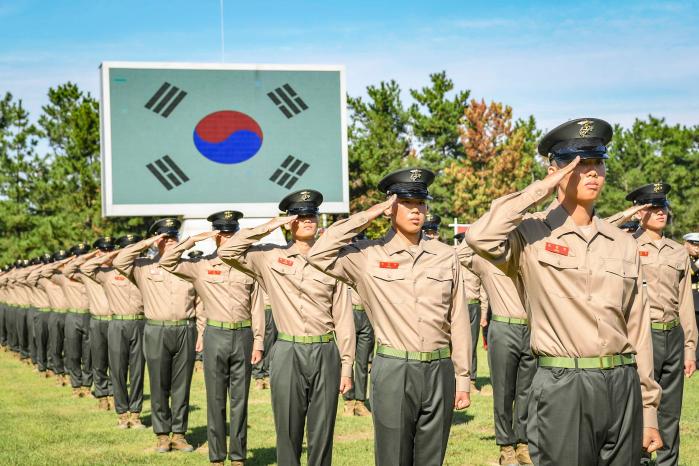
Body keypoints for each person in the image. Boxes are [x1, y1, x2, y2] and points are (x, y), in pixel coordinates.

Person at [466, 118, 662, 465]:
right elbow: (480, 236)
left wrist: (648, 411)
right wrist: (540, 189)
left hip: (622, 383)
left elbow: (638, 328)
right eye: (578, 164)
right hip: (563, 383)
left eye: (597, 162)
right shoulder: (531, 235)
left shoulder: (621, 243)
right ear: (554, 170)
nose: (591, 173)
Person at [306, 168, 472, 466]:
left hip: (439, 370)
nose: (415, 211)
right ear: (389, 208)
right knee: (393, 458)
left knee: (432, 459)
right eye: (406, 203)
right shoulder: (366, 255)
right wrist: (367, 214)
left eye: (420, 203)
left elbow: (458, 318)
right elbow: (318, 254)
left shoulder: (446, 255)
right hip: (395, 369)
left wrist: (462, 378)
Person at [218, 189, 355, 466]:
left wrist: (347, 366)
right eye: (299, 215)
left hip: (325, 350)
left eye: (311, 214)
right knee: (288, 432)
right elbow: (227, 251)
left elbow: (343, 318)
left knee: (322, 432)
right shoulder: (268, 257)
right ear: (290, 221)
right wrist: (270, 226)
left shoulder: (333, 260)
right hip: (287, 350)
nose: (307, 220)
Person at [160, 210, 265, 466]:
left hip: (243, 335)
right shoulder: (201, 266)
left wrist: (259, 341)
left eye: (231, 233)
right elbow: (167, 262)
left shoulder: (248, 266)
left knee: (240, 401)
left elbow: (257, 306)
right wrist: (190, 241)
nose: (227, 238)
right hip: (215, 335)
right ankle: (217, 457)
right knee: (215, 399)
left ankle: (238, 457)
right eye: (222, 234)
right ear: (216, 237)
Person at [625, 183, 698, 466]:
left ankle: (669, 462)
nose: (660, 212)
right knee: (643, 406)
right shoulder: (628, 246)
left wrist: (690, 347)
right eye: (653, 207)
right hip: (642, 336)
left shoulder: (678, 252)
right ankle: (641, 459)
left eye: (663, 206)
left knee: (670, 411)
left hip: (673, 337)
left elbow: (685, 304)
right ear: (640, 211)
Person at [113, 219, 201, 453]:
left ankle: (180, 434)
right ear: (157, 240)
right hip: (156, 329)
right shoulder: (143, 267)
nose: (170, 241)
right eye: (165, 237)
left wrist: (200, 331)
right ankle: (162, 434)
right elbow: (119, 260)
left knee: (182, 385)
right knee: (159, 383)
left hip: (185, 328)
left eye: (173, 237)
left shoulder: (188, 266)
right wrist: (149, 242)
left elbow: (199, 302)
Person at [457, 238, 535, 465]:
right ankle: (506, 447)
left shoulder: (530, 257)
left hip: (532, 327)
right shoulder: (487, 261)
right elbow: (460, 252)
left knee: (527, 391)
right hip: (503, 327)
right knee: (503, 391)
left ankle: (524, 444)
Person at [82, 234, 147, 429]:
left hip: (140, 323)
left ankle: (135, 414)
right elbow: (85, 268)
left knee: (137, 371)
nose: (130, 252)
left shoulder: (143, 270)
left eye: (132, 249)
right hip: (117, 324)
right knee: (117, 370)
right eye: (126, 248)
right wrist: (112, 255)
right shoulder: (107, 272)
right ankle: (121, 413)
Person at [65, 237, 116, 410]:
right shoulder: (88, 273)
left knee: (117, 362)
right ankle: (102, 395)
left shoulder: (119, 270)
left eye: (109, 250)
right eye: (103, 250)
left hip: (115, 322)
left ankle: (115, 394)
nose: (106, 253)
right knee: (98, 361)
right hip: (97, 321)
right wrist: (90, 256)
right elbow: (68, 271)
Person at [43, 244, 93, 397]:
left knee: (88, 354)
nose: (80, 258)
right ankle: (76, 385)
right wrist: (68, 261)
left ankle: (87, 386)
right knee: (73, 353)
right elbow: (46, 272)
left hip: (89, 316)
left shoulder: (90, 274)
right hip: (72, 316)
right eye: (77, 255)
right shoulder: (64, 277)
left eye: (83, 255)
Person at [343, 286, 374, 417]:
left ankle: (360, 402)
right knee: (347, 360)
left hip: (367, 316)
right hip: (349, 315)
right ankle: (349, 402)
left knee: (362, 363)